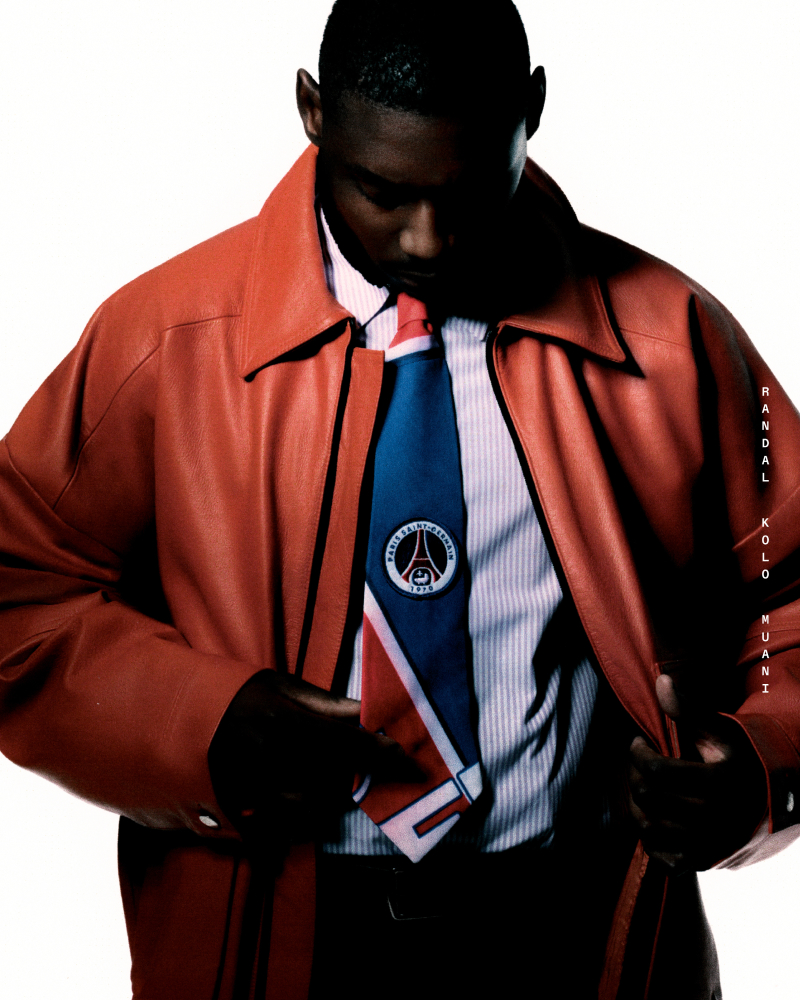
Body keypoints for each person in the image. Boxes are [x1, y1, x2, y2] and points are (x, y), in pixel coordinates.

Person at [0, 1, 797, 998]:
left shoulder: (670, 339)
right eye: (381, 190)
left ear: (532, 111)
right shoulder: (167, 340)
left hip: (577, 928)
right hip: (277, 931)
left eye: (467, 191)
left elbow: (787, 596)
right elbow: (18, 588)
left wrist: (761, 766)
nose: (427, 238)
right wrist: (199, 719)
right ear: (313, 111)